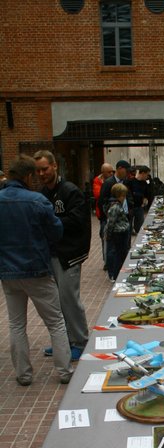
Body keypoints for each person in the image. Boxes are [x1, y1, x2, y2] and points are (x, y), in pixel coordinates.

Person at [0, 155, 73, 385]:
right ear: (28, 175)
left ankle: (23, 374)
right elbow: (56, 232)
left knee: (16, 324)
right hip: (37, 269)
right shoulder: (37, 201)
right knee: (55, 322)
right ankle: (64, 371)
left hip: (8, 272)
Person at [34, 150, 91, 361]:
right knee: (57, 301)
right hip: (52, 253)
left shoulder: (70, 191)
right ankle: (63, 341)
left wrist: (51, 224)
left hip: (69, 254)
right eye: (38, 170)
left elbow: (78, 221)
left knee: (69, 299)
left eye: (45, 169)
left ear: (54, 166)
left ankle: (80, 342)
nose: (41, 174)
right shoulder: (42, 193)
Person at [98, 159, 134, 248]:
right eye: (126, 171)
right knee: (112, 248)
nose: (128, 173)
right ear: (120, 169)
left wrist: (130, 210)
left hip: (125, 219)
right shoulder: (108, 183)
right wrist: (110, 215)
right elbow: (102, 202)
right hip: (113, 221)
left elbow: (130, 198)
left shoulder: (126, 182)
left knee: (126, 246)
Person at [105, 183, 131, 281]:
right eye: (123, 196)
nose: (124, 198)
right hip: (118, 233)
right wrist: (108, 235)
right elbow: (111, 222)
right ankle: (116, 275)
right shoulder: (115, 206)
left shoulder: (116, 205)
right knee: (118, 254)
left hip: (120, 232)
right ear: (118, 195)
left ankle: (118, 274)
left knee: (120, 254)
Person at [92, 163, 114, 270]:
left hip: (112, 214)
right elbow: (98, 195)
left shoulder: (112, 180)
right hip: (103, 214)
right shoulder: (97, 181)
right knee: (104, 237)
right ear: (103, 172)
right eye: (109, 172)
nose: (111, 174)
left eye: (112, 172)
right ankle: (106, 261)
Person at [129, 165, 151, 234]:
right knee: (129, 226)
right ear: (143, 173)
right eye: (147, 174)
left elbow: (148, 193)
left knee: (140, 227)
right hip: (131, 207)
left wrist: (145, 198)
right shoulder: (131, 181)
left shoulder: (145, 182)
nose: (147, 176)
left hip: (139, 207)